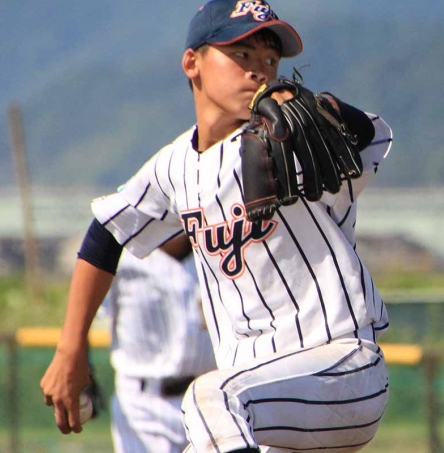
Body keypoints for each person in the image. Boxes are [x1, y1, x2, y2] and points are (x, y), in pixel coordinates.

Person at [41, 1, 394, 452]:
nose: (258, 70)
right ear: (193, 63)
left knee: (211, 399)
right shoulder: (174, 166)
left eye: (270, 59)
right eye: (241, 54)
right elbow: (105, 234)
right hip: (260, 398)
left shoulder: (293, 137)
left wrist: (325, 106)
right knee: (214, 418)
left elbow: (369, 135)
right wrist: (70, 348)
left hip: (338, 368)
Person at [98, 236, 215, 452]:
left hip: (211, 401)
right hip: (143, 405)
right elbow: (84, 316)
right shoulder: (119, 253)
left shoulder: (216, 249)